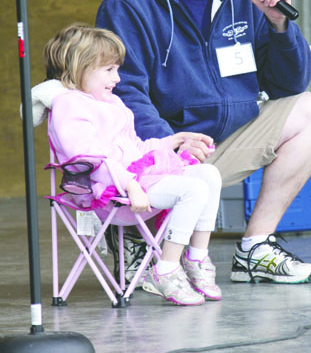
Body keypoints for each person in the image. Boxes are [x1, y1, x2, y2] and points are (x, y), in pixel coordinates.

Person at [96, 0, 311, 284]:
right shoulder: (130, 0)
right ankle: (136, 233)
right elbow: (122, 92)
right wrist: (167, 143)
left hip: (220, 145)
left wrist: (279, 24)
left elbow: (288, 85)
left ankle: (255, 247)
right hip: (160, 154)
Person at [37, 24, 223, 306]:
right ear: (80, 67)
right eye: (109, 70)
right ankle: (166, 270)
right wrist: (130, 183)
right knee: (192, 190)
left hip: (136, 181)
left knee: (208, 174)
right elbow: (88, 159)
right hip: (109, 194)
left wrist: (173, 141)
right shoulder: (70, 106)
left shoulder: (112, 103)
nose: (118, 78)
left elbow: (134, 149)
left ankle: (196, 258)